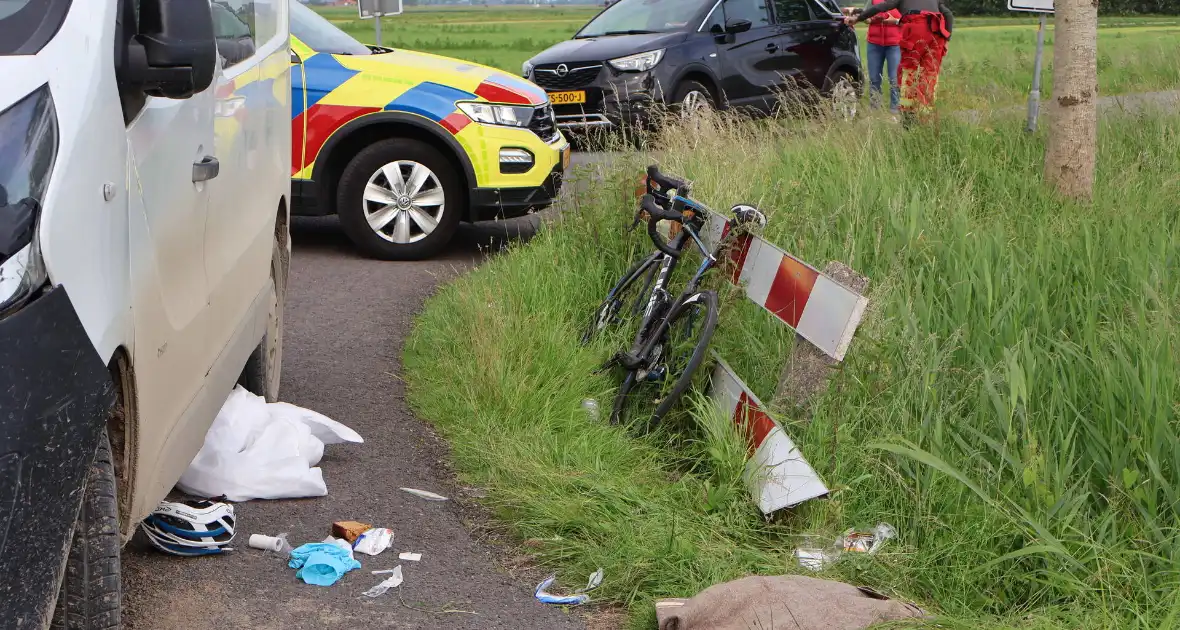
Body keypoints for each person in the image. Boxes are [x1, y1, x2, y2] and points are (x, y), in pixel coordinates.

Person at [846, 0, 953, 125]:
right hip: (936, 31)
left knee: (908, 72)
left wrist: (858, 18)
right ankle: (926, 119)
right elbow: (948, 14)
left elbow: (882, 7)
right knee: (929, 75)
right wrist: (947, 38)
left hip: (916, 28)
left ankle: (908, 118)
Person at [863, 0, 902, 114]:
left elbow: (909, 20)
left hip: (894, 44)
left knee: (894, 78)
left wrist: (894, 21)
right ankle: (875, 108)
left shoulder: (900, 2)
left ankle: (895, 109)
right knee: (874, 78)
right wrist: (871, 19)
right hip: (874, 44)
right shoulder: (872, 1)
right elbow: (865, 17)